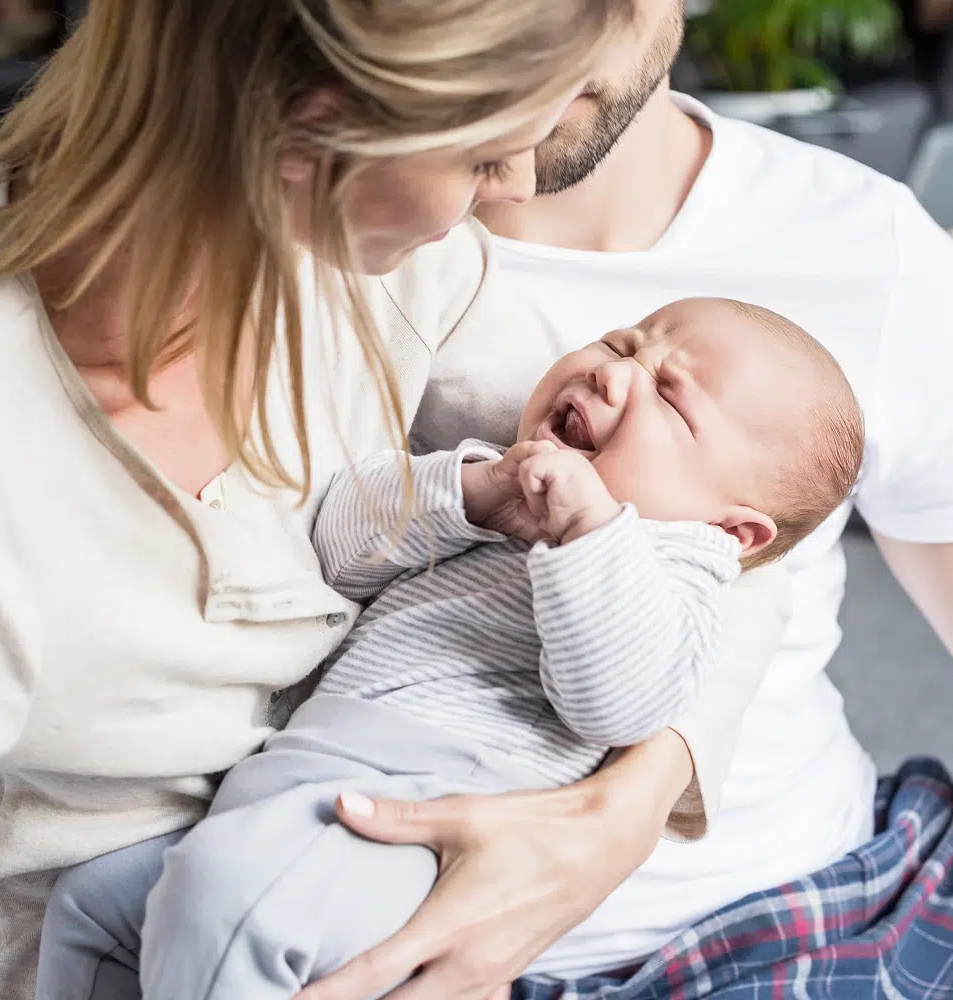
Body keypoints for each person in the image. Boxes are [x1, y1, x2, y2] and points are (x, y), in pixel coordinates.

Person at [0, 2, 794, 1000]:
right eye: (486, 159)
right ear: (311, 131)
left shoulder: (389, 269)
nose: (515, 188)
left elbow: (721, 529)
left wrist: (611, 821)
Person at [289, 2, 953, 997]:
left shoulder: (863, 243)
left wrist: (638, 799)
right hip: (364, 919)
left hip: (803, 899)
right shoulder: (308, 234)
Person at [36, 298, 862, 1000]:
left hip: (418, 815)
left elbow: (619, 701)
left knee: (225, 900)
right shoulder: (494, 483)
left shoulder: (678, 569)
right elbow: (337, 548)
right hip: (290, 786)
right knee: (94, 904)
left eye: (671, 400)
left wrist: (589, 533)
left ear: (733, 529)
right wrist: (472, 493)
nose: (614, 373)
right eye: (620, 344)